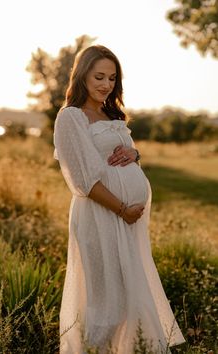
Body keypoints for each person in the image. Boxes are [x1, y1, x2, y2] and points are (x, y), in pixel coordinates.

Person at [54, 45, 185, 354]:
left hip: (127, 221)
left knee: (127, 295)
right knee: (106, 301)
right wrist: (123, 208)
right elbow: (83, 180)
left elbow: (125, 156)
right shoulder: (70, 117)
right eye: (99, 76)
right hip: (101, 216)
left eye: (112, 78)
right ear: (82, 75)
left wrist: (134, 153)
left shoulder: (111, 113)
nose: (105, 85)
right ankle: (90, 349)